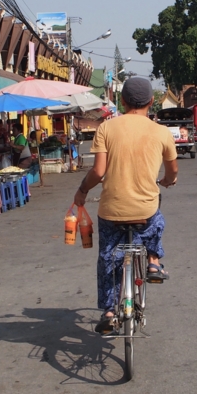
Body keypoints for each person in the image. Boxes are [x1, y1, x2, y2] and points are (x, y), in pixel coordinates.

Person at [73, 77, 178, 334]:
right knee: (157, 222)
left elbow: (98, 172)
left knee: (108, 258)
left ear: (122, 101)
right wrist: (167, 180)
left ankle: (109, 311)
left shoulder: (106, 129)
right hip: (145, 210)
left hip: (111, 212)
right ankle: (153, 261)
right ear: (151, 102)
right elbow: (173, 172)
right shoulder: (161, 132)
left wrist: (82, 191)